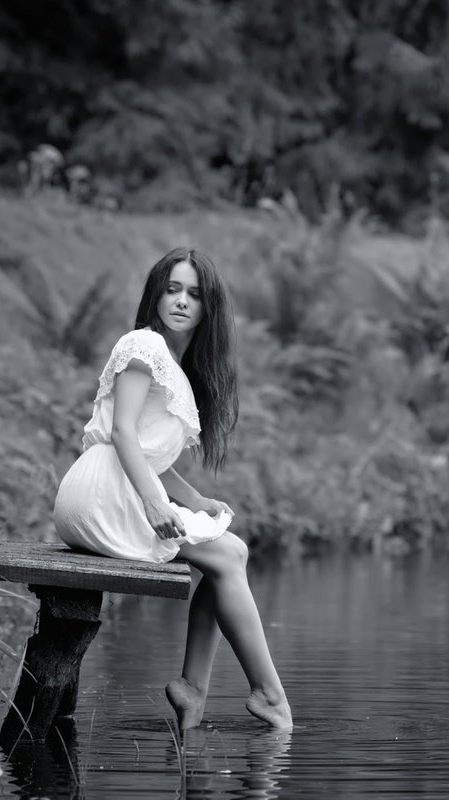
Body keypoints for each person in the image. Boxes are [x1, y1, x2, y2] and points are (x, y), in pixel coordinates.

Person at [53, 247, 292, 730]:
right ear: (156, 295)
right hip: (101, 489)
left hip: (115, 485)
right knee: (226, 556)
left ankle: (194, 692)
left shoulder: (172, 365)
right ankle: (267, 694)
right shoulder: (143, 345)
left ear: (209, 308)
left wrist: (195, 500)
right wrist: (154, 502)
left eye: (195, 295)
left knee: (230, 553)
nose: (182, 301)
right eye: (173, 289)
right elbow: (122, 434)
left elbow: (149, 455)